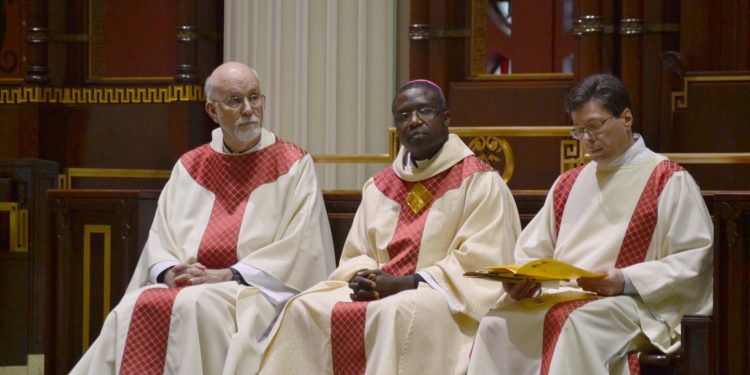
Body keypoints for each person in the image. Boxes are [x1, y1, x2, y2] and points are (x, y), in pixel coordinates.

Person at [71, 62, 336, 374]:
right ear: (212, 110)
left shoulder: (293, 164)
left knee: (193, 306)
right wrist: (170, 272)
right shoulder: (190, 167)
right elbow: (161, 238)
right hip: (192, 285)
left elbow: (301, 247)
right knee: (131, 307)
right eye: (235, 101)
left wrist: (229, 274)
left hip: (255, 291)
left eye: (255, 98)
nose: (249, 109)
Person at [260, 80, 521, 374]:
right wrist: (364, 278)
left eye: (424, 111)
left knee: (396, 311)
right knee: (303, 307)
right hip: (383, 292)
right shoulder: (380, 187)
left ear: (446, 119)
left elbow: (483, 263)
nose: (414, 121)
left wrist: (405, 283)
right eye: (404, 115)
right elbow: (357, 253)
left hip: (447, 299)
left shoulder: (480, 182)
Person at [467, 73, 713, 375]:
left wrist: (625, 279)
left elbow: (694, 260)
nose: (587, 138)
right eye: (579, 130)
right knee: (497, 324)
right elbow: (532, 251)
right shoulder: (568, 183)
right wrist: (522, 281)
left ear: (626, 118)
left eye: (595, 126)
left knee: (574, 324)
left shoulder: (667, 179)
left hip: (633, 303)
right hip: (565, 297)